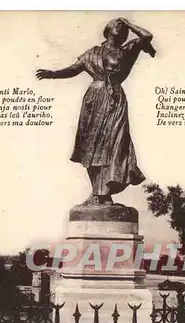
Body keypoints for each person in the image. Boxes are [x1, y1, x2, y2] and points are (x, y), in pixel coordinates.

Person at [36, 17, 155, 205]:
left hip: (115, 99)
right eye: (116, 24)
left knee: (115, 143)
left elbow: (147, 36)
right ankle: (97, 194)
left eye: (122, 26)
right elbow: (73, 69)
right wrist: (53, 74)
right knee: (91, 146)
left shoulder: (127, 50)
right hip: (94, 99)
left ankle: (105, 191)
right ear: (107, 31)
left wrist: (128, 22)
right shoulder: (93, 53)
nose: (119, 26)